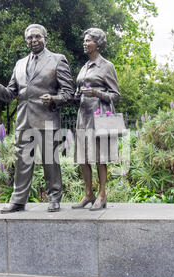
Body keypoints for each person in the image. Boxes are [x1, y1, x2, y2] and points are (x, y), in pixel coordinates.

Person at [0, 24, 74, 213]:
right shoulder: (20, 64)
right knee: (22, 161)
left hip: (47, 118)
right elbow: (10, 94)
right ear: (26, 41)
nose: (33, 40)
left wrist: (54, 99)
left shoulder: (57, 60)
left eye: (37, 36)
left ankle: (54, 198)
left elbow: (68, 92)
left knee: (50, 161)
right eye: (29, 38)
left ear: (45, 38)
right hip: (24, 120)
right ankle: (19, 200)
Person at [72, 28, 120, 211]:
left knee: (100, 157)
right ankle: (88, 194)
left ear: (97, 43)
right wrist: (77, 94)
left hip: (99, 115)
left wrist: (95, 92)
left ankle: (102, 194)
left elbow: (115, 95)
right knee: (82, 157)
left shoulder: (106, 66)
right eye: (84, 41)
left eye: (88, 41)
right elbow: (80, 90)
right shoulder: (84, 67)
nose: (85, 43)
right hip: (83, 115)